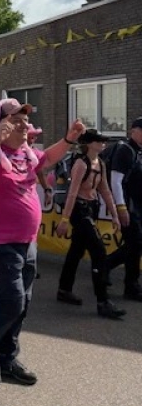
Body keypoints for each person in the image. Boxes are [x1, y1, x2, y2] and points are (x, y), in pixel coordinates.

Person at [0, 98, 85, 388]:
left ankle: (7, 357)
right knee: (13, 300)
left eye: (25, 120)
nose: (23, 124)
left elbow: (49, 157)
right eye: (15, 120)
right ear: (0, 125)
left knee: (23, 302)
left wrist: (69, 139)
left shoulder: (27, 153)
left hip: (27, 241)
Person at [55, 130, 124, 319]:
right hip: (79, 210)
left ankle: (64, 289)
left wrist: (115, 215)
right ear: (89, 144)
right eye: (99, 141)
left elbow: (105, 190)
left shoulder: (100, 163)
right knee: (99, 251)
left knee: (76, 250)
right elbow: (72, 192)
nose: (103, 143)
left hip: (91, 208)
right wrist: (65, 219)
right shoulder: (81, 164)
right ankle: (103, 301)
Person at [105, 116, 142, 300]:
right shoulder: (126, 150)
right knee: (135, 244)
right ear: (133, 131)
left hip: (136, 206)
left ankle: (104, 266)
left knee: (135, 244)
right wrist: (121, 207)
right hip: (128, 206)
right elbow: (116, 180)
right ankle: (131, 287)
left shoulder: (137, 151)